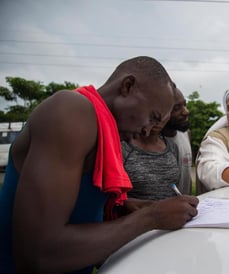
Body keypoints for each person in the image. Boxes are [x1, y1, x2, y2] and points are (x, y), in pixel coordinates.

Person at [0, 56, 199, 274]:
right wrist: (150, 217)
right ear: (127, 86)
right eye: (152, 117)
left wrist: (120, 207)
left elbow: (72, 204)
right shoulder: (70, 110)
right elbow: (37, 254)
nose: (147, 130)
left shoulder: (104, 129)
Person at [121, 116, 181, 200]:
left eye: (165, 111)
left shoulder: (172, 147)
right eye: (155, 111)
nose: (159, 118)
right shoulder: (124, 148)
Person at [162, 84, 193, 195]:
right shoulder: (156, 144)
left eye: (185, 105)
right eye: (176, 108)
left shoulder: (186, 134)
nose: (185, 112)